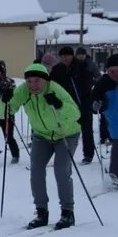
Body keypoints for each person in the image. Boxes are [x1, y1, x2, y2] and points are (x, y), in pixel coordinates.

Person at [6, 63, 81, 230]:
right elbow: (5, 112)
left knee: (61, 171)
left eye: (36, 81)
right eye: (29, 81)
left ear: (45, 81)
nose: (32, 85)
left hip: (66, 134)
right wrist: (5, 102)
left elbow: (76, 114)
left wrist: (59, 106)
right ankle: (41, 212)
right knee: (36, 171)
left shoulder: (55, 89)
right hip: (41, 135)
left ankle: (67, 212)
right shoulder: (23, 91)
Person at [50, 46, 96, 164]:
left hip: (83, 102)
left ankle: (88, 154)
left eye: (67, 56)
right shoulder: (57, 69)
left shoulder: (81, 66)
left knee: (86, 129)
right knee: (66, 130)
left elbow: (89, 82)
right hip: (66, 105)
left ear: (72, 56)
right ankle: (65, 154)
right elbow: (51, 84)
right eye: (62, 56)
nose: (65, 58)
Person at [89, 54, 118, 186]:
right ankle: (115, 173)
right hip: (114, 120)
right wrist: (96, 105)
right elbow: (94, 100)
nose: (115, 74)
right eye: (112, 71)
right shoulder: (103, 83)